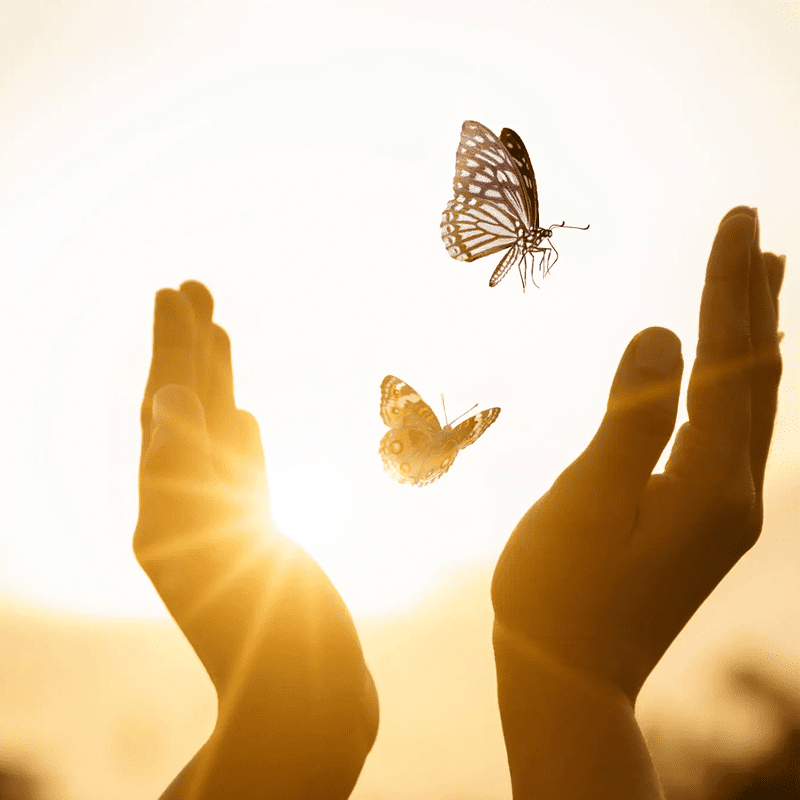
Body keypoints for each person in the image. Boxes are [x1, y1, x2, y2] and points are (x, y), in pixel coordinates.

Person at [135, 206, 784, 798]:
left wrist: (290, 715)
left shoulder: (449, 430)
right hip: (426, 463)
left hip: (421, 460)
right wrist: (579, 688)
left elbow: (303, 718)